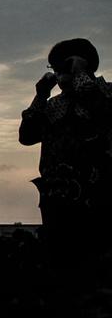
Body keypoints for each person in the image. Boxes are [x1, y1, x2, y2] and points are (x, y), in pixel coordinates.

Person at [19, 38, 112, 270]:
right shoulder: (54, 106)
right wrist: (40, 95)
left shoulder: (106, 93)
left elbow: (102, 114)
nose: (60, 75)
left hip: (99, 197)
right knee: (62, 263)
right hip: (58, 200)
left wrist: (81, 74)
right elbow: (27, 136)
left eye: (64, 67)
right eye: (56, 69)